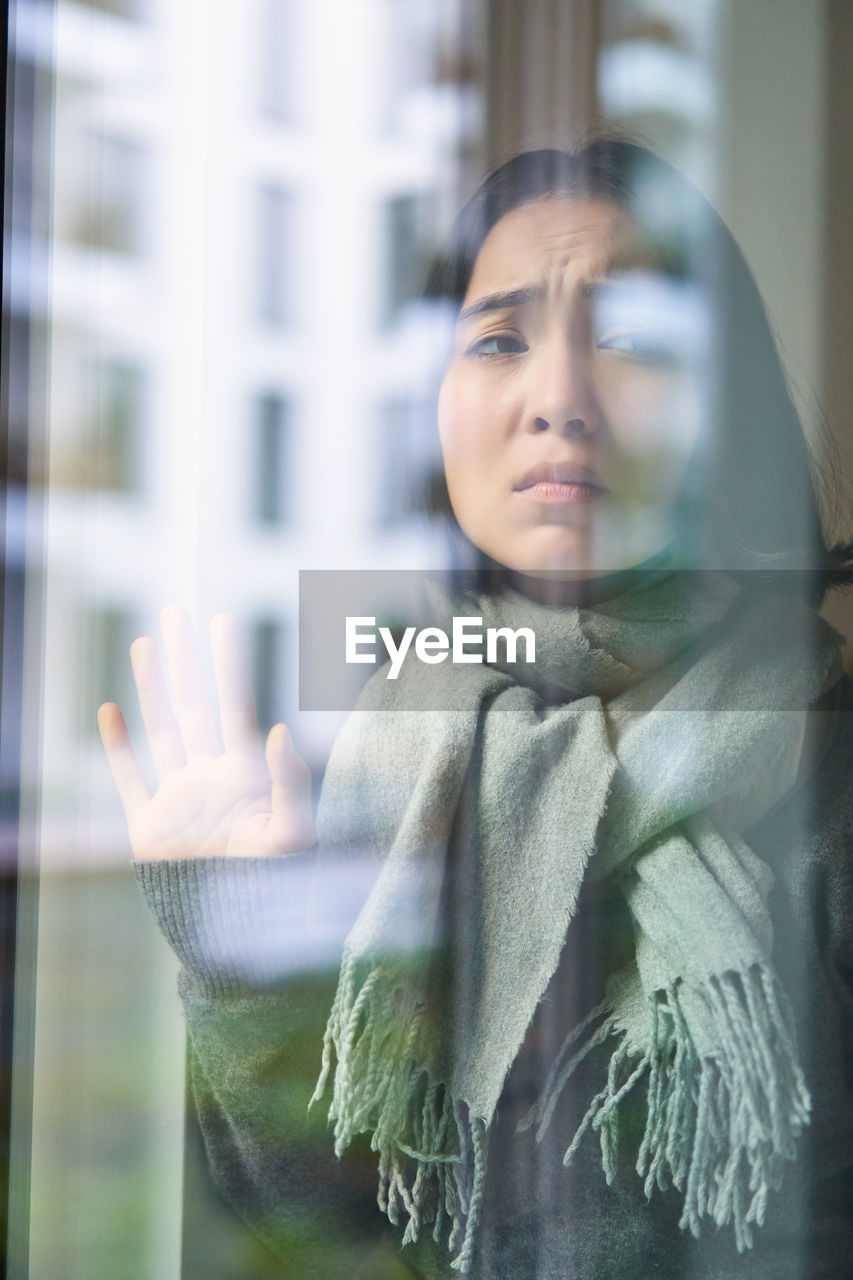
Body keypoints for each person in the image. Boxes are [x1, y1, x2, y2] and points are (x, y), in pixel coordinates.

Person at [98, 142, 853, 1279]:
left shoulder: (825, 760)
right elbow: (315, 1206)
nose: (559, 398)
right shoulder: (392, 753)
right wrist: (234, 951)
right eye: (499, 339)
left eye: (634, 340)